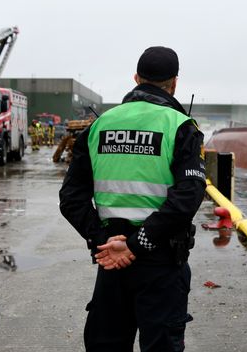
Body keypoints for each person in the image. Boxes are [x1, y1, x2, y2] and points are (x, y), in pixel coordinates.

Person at [59, 46, 206, 352]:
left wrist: (106, 240)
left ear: (136, 78)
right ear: (175, 83)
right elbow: (188, 196)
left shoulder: (99, 126)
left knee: (107, 344)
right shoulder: (179, 126)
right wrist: (137, 243)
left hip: (111, 259)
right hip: (161, 262)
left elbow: (71, 198)